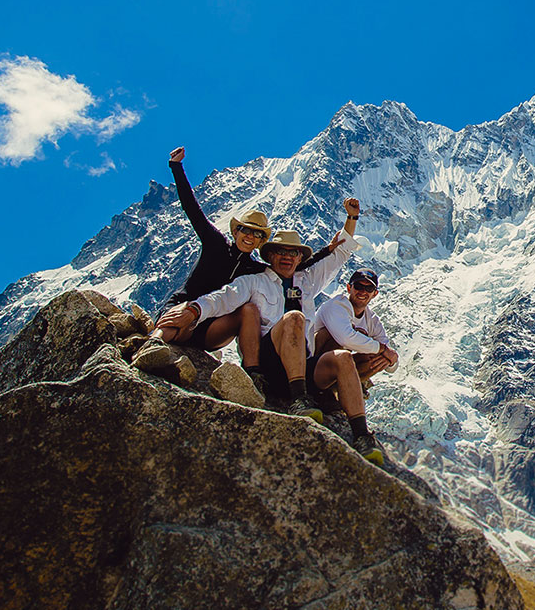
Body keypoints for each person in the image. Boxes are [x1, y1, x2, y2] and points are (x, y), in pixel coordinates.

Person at [163, 199, 363, 422]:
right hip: (271, 366)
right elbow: (223, 298)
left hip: (304, 365)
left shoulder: (308, 281)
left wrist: (351, 218)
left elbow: (340, 254)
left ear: (299, 258)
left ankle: (362, 435)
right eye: (280, 251)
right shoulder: (253, 281)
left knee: (344, 357)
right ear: (269, 256)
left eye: (293, 253)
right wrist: (194, 310)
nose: (287, 257)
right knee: (293, 318)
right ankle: (299, 400)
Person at [153, 146, 340, 367]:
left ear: (261, 240)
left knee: (247, 311)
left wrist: (327, 251)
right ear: (235, 232)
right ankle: (150, 347)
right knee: (178, 321)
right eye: (246, 230)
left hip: (211, 326)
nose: (250, 236)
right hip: (185, 307)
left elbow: (291, 265)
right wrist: (176, 167)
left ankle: (253, 373)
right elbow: (192, 209)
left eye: (257, 234)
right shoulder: (215, 244)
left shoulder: (255, 268)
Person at [307, 269, 398, 464]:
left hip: (339, 369)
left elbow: (391, 365)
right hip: (315, 368)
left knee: (375, 357)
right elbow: (344, 337)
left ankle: (334, 393)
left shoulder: (372, 320)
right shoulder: (336, 306)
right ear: (349, 287)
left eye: (369, 288)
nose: (363, 291)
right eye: (358, 286)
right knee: (334, 338)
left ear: (375, 294)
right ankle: (325, 398)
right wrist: (382, 349)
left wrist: (389, 357)